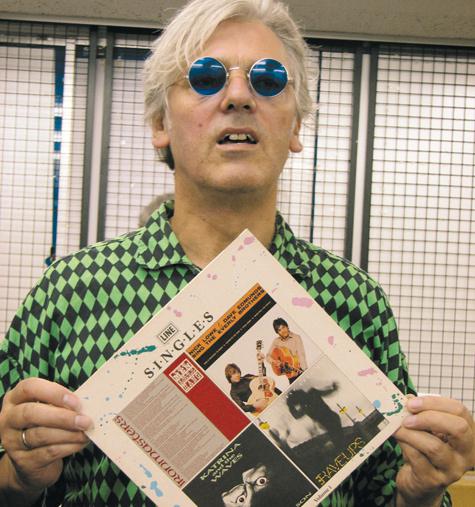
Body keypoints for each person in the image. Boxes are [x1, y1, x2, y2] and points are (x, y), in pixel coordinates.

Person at [0, 0, 473, 506]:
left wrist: (420, 492)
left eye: (268, 80)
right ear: (160, 123)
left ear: (295, 127)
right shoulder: (72, 290)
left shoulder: (354, 299)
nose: (240, 96)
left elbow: (386, 491)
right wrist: (20, 477)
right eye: (205, 77)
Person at [266, 317, 307, 383]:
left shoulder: (296, 337)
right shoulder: (276, 341)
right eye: (279, 330)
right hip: (289, 374)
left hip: (299, 370)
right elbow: (268, 356)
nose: (283, 331)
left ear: (287, 326)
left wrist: (304, 371)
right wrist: (275, 361)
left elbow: (301, 355)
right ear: (277, 332)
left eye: (283, 327)